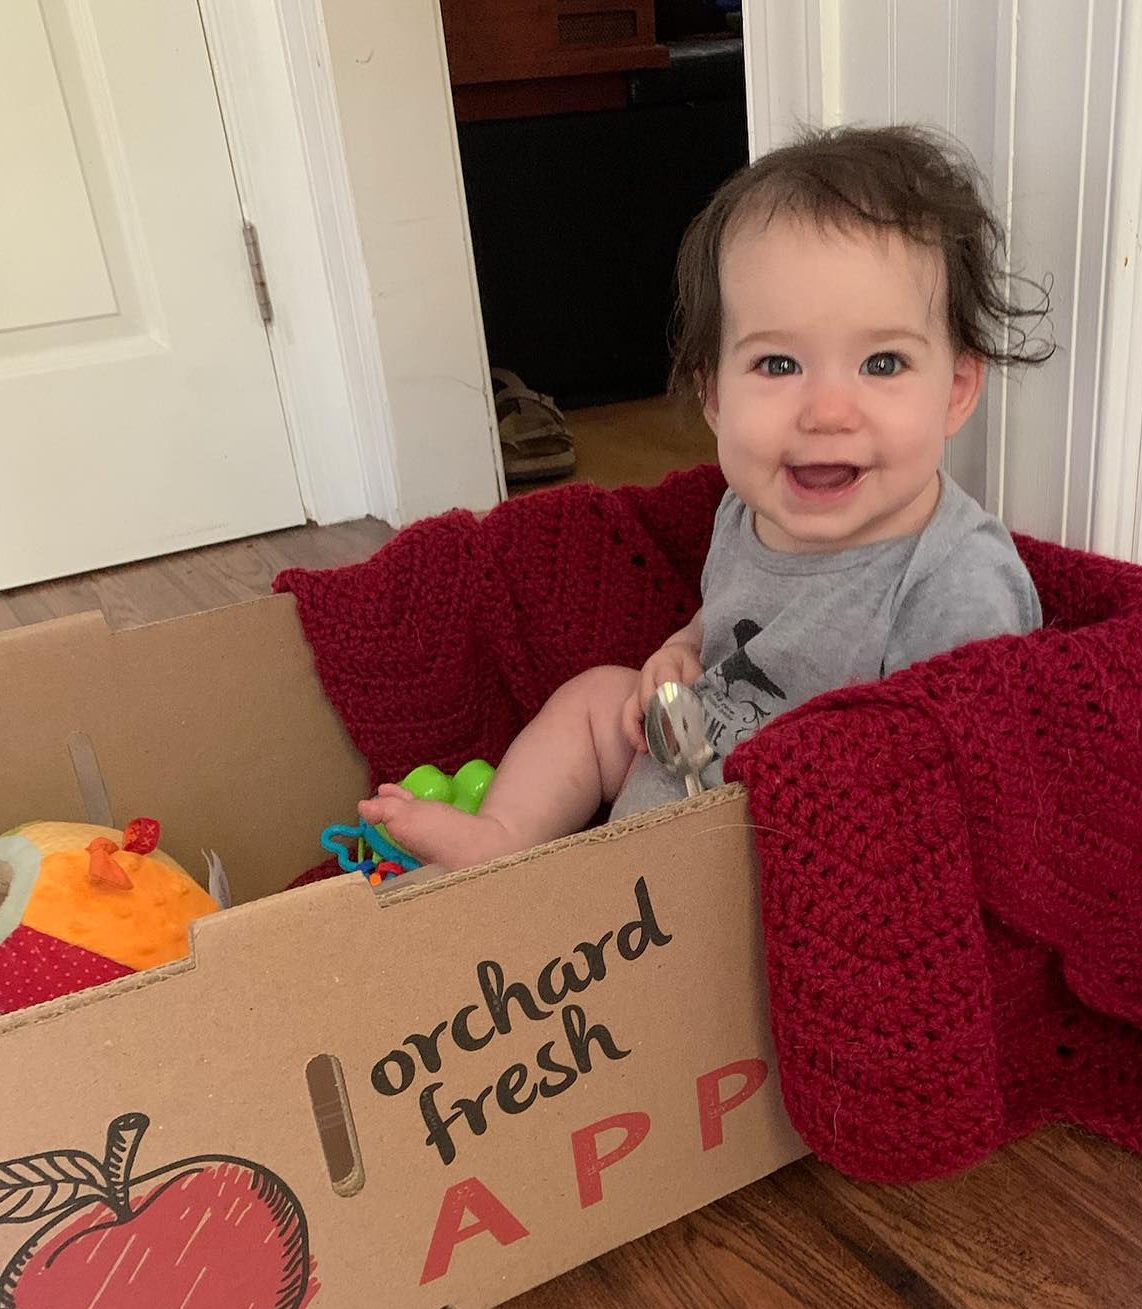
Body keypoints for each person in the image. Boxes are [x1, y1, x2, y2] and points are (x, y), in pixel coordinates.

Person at [360, 123, 1051, 868]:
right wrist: (682, 649)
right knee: (599, 696)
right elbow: (731, 618)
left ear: (955, 391)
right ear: (715, 397)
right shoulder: (745, 509)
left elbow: (959, 785)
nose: (826, 411)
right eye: (778, 363)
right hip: (693, 758)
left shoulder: (955, 579)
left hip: (793, 846)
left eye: (882, 362)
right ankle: (500, 841)